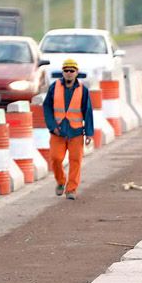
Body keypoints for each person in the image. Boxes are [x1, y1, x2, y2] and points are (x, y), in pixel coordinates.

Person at [42, 58, 94, 200]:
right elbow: (47, 107)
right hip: (58, 131)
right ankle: (60, 181)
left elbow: (87, 111)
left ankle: (71, 189)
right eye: (66, 71)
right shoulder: (54, 87)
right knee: (55, 158)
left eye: (72, 71)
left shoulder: (83, 90)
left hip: (76, 131)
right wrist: (52, 126)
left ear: (77, 72)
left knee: (75, 160)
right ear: (62, 73)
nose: (69, 73)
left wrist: (89, 133)